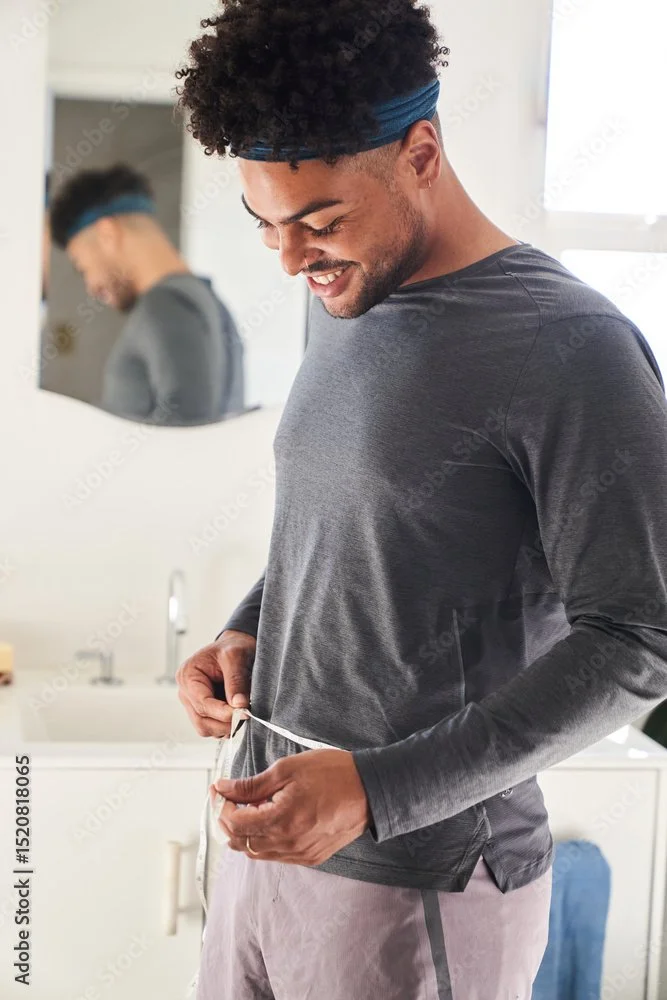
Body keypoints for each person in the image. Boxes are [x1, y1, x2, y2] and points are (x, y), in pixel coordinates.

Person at [174, 1, 667, 996]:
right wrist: (247, 630)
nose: (290, 259)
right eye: (267, 226)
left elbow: (638, 640)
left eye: (319, 222)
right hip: (269, 851)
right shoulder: (344, 298)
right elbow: (353, 527)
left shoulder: (571, 347)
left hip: (424, 880)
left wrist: (375, 790)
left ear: (422, 155)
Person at [49, 164, 245, 425]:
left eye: (82, 267)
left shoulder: (165, 306)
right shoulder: (208, 301)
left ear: (107, 233)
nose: (91, 286)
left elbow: (186, 434)